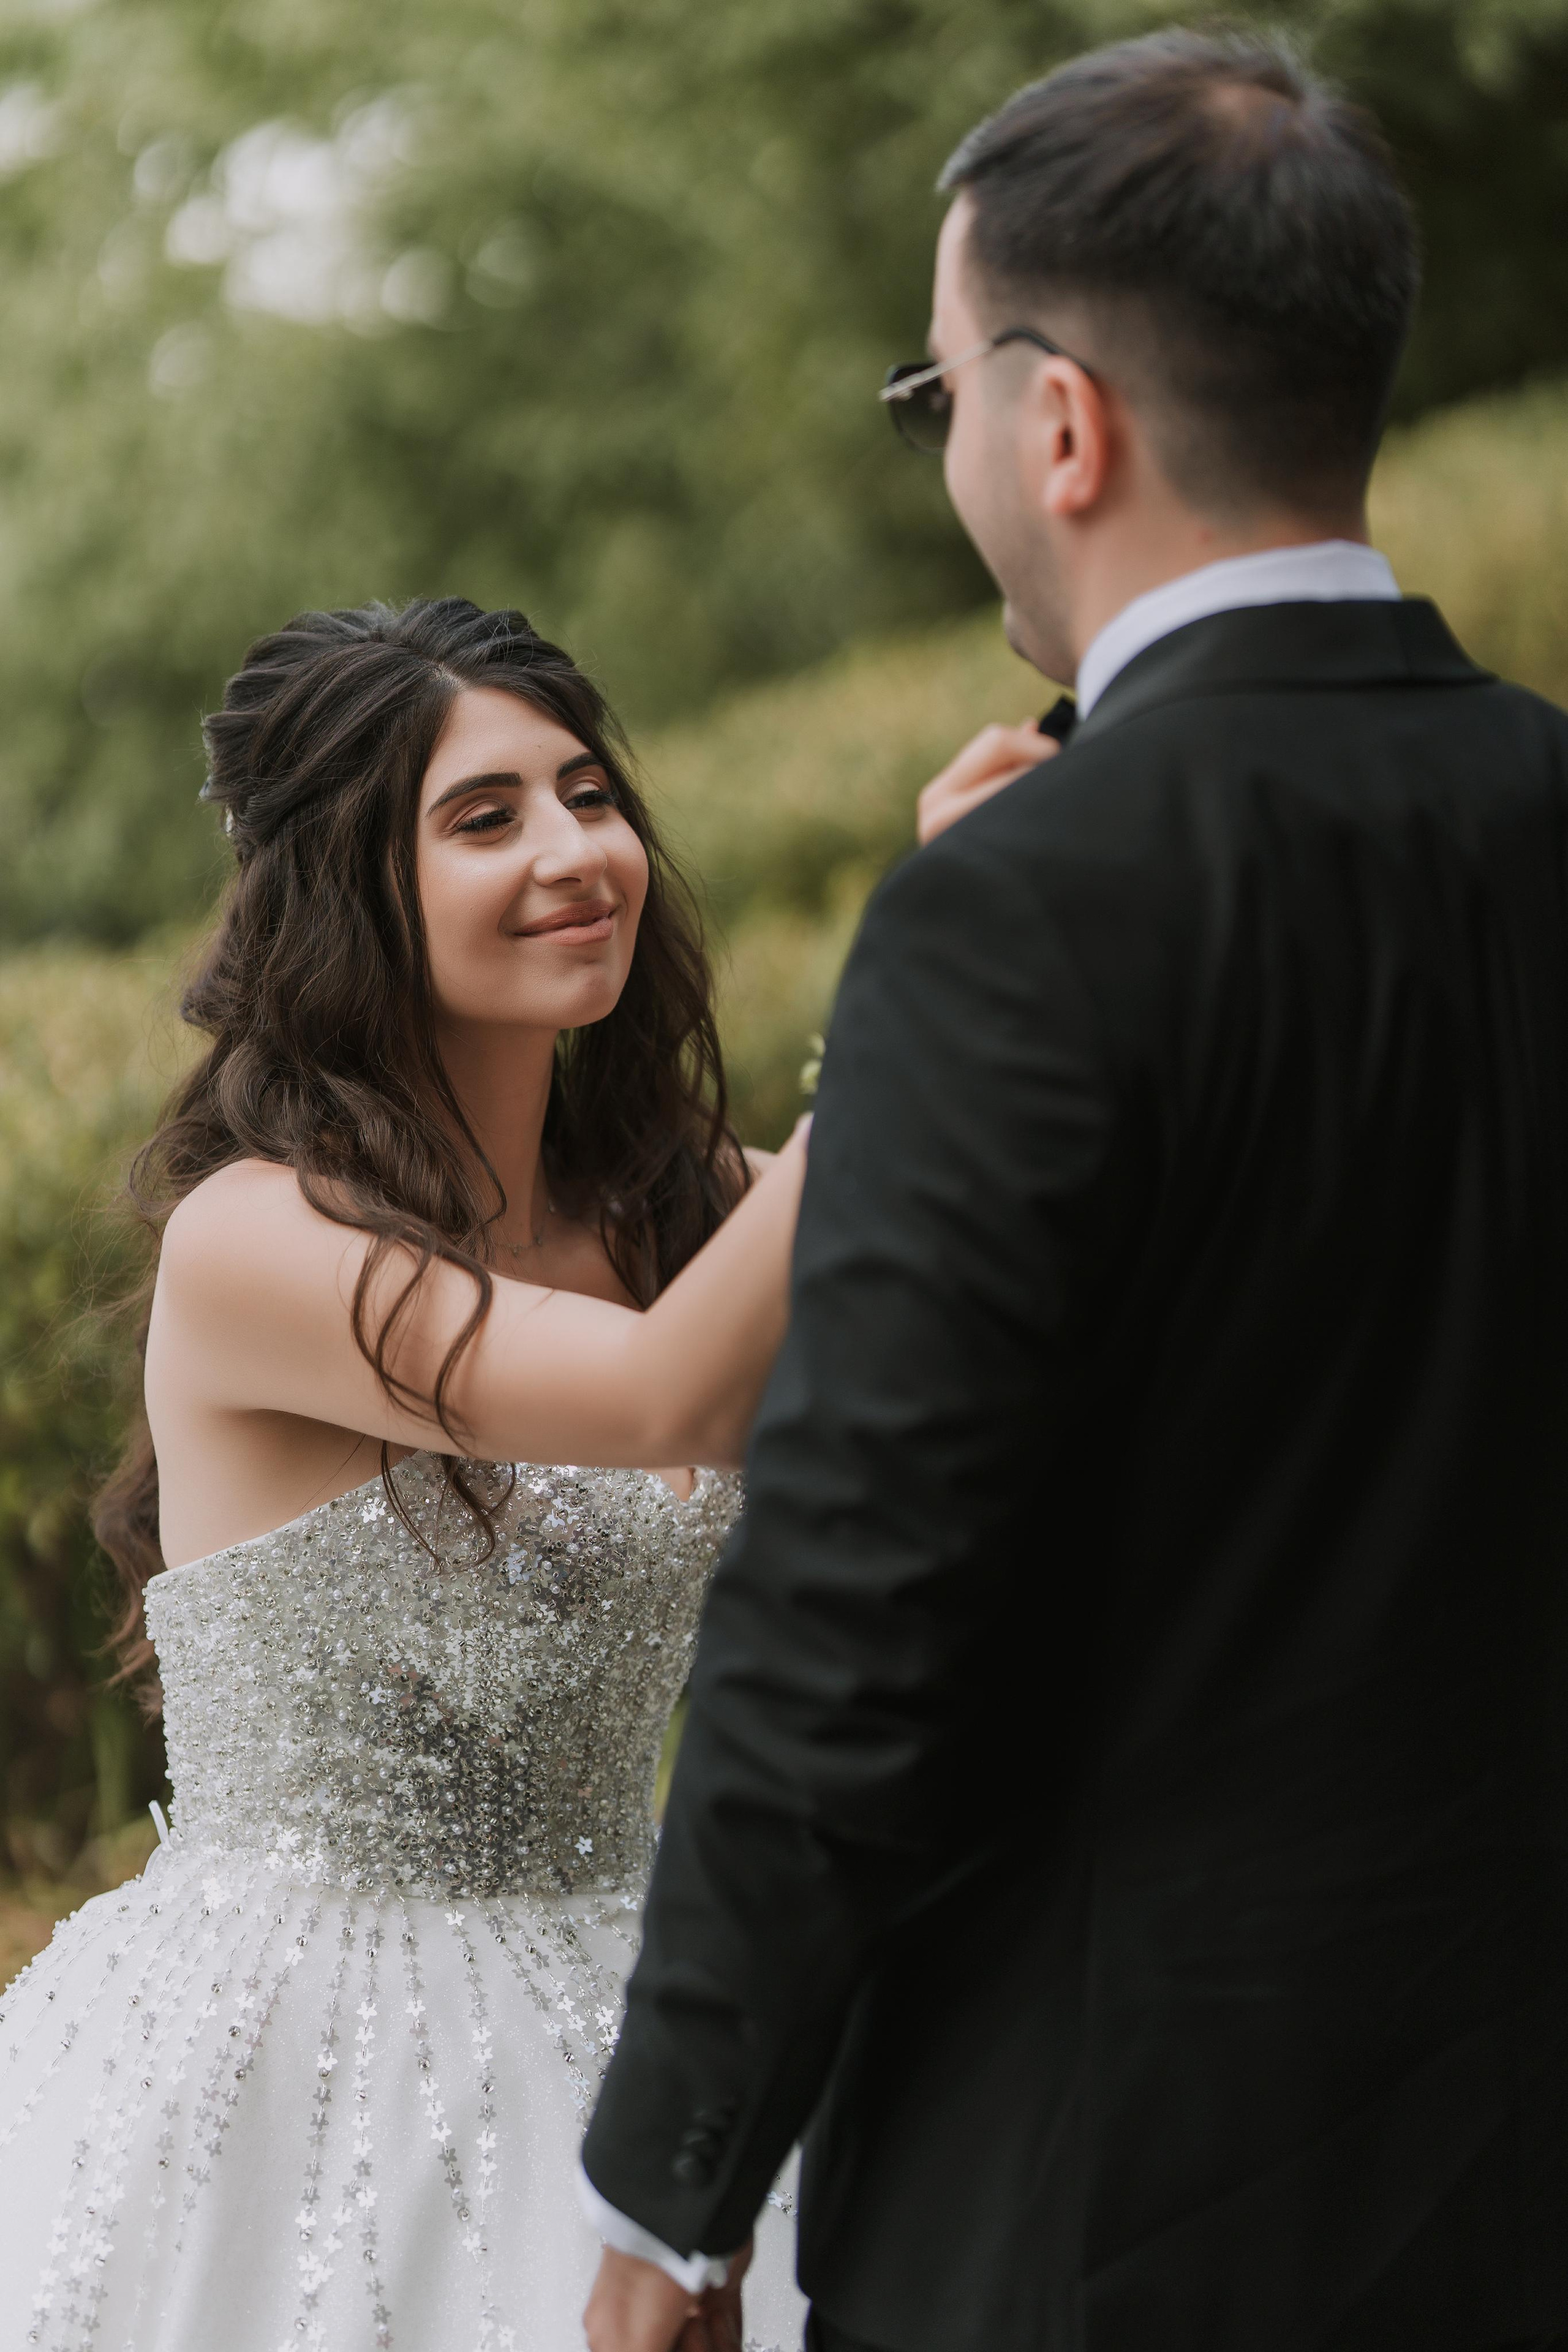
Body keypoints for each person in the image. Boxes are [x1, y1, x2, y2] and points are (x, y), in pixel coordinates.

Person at [580, 29, 1568, 2352]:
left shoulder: (1022, 910)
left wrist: (673, 2200)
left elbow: (858, 1596)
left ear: (1060, 423)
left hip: (1137, 2182)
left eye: (935, 403)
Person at [0, 597, 824, 2350]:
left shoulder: (686, 1209)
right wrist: (921, 1026)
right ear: (342, 888)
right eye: (486, 816)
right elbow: (664, 1393)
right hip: (310, 2062)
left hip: (640, 2005)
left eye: (590, 793)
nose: (576, 851)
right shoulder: (254, 1241)